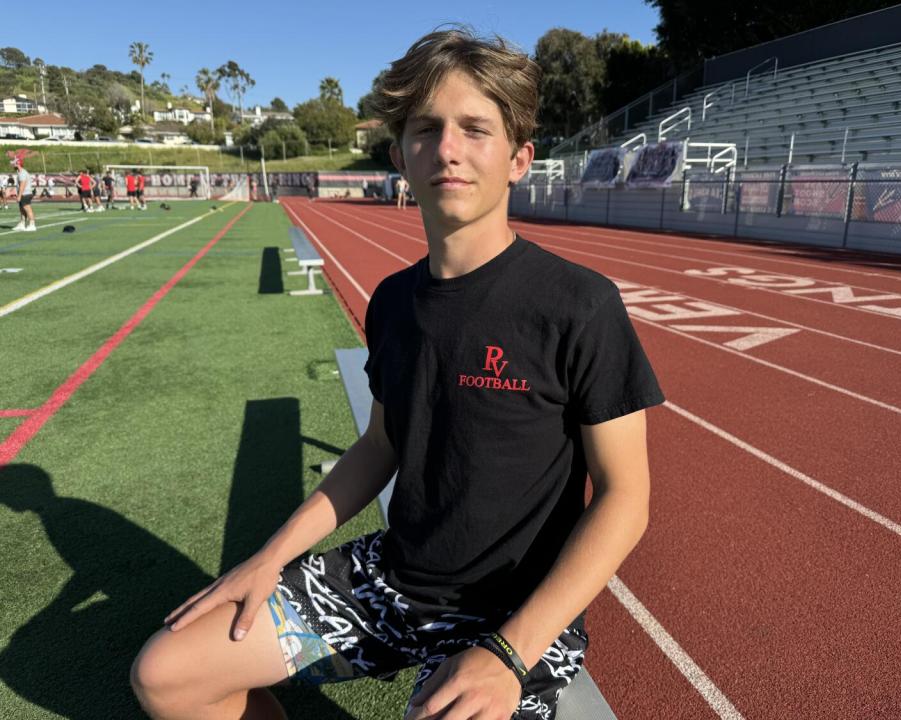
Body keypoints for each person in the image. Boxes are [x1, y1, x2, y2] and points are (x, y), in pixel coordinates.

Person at [130, 28, 664, 720]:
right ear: (401, 157)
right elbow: (380, 446)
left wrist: (509, 652)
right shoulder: (392, 302)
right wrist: (269, 557)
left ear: (519, 159)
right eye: (426, 129)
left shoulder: (579, 305)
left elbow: (626, 497)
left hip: (514, 614)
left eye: (475, 129)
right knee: (164, 675)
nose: (447, 148)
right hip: (394, 581)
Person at [12, 156, 36, 231]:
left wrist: (19, 196)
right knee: (22, 209)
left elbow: (23, 184)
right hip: (24, 193)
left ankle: (32, 224)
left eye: (14, 163)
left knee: (27, 208)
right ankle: (22, 224)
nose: (13, 164)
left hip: (25, 193)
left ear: (18, 163)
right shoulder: (20, 172)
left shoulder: (22, 172)